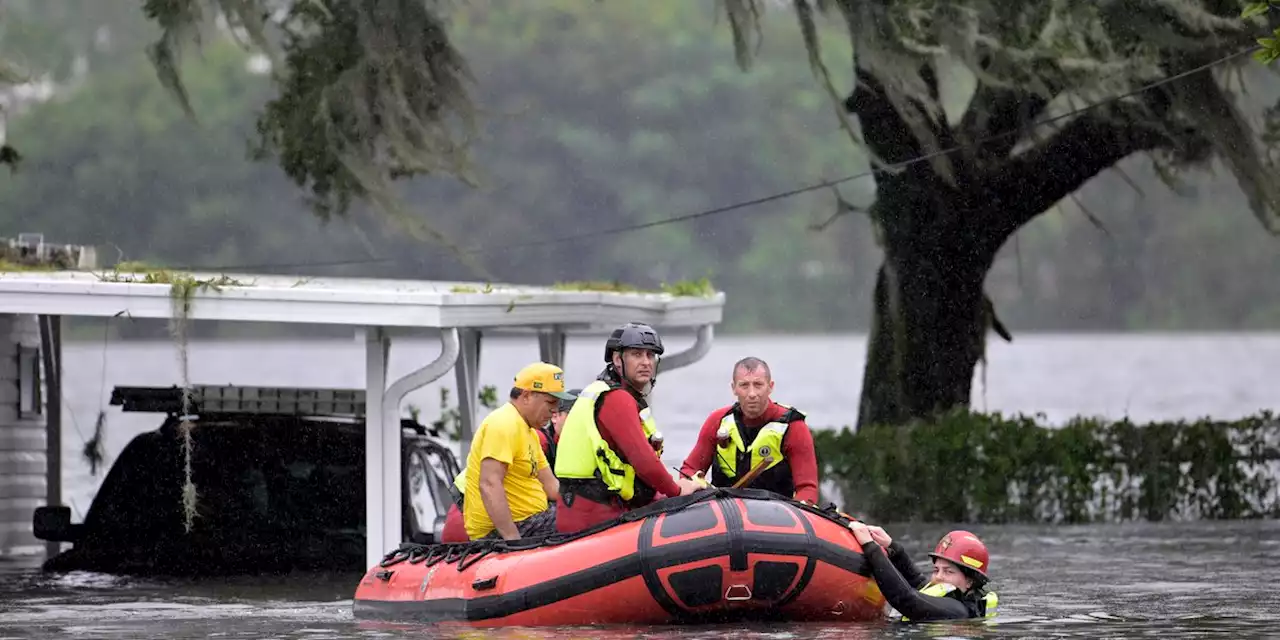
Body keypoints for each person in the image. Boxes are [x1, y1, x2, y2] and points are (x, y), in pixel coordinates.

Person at [553, 322, 702, 533]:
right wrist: (677, 490)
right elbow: (644, 461)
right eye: (637, 354)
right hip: (594, 517)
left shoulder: (610, 393)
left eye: (650, 355)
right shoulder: (617, 399)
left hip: (592, 509)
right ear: (617, 359)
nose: (646, 362)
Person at [439, 386, 575, 544]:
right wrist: (513, 539)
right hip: (467, 517)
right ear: (556, 416)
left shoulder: (541, 437)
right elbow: (492, 484)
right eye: (574, 417)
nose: (579, 424)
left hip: (491, 512)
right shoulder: (535, 437)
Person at [678, 357, 818, 504]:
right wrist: (693, 486)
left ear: (770, 387)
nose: (752, 394)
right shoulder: (718, 421)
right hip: (724, 513)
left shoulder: (793, 427)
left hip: (777, 516)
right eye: (744, 385)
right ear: (734, 388)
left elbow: (807, 488)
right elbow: (690, 470)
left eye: (758, 385)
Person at [847, 523, 999, 621]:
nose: (938, 577)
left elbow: (908, 600)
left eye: (948, 572)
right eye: (936, 570)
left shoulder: (958, 611)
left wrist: (870, 547)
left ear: (969, 581)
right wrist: (892, 547)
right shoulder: (953, 597)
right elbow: (917, 581)